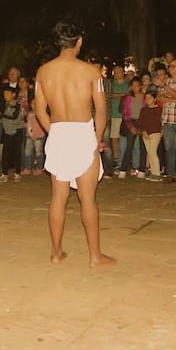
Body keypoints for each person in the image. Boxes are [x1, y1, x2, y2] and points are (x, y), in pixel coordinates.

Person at [34, 20, 114, 268]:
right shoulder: (91, 72)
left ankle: (56, 252)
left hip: (59, 131)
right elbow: (102, 111)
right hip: (82, 133)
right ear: (78, 41)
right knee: (87, 199)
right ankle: (95, 256)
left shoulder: (43, 72)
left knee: (58, 197)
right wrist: (96, 139)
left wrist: (54, 132)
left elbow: (40, 110)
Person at [117, 77, 146, 179]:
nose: (135, 87)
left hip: (142, 122)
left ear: (140, 86)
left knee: (143, 147)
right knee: (129, 147)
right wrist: (131, 127)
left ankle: (142, 169)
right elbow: (125, 114)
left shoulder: (145, 97)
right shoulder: (128, 98)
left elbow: (147, 111)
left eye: (137, 85)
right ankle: (123, 169)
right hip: (131, 122)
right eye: (133, 85)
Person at [0, 86, 24, 181]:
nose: (5, 96)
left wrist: (2, 115)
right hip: (7, 132)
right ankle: (4, 173)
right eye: (4, 94)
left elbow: (14, 117)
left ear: (13, 95)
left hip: (17, 131)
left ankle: (17, 173)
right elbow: (2, 119)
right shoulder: (4, 105)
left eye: (7, 94)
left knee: (17, 153)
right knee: (5, 153)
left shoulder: (17, 105)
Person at [139, 90, 163, 181]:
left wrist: (161, 131)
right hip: (146, 133)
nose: (148, 100)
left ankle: (156, 173)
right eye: (146, 98)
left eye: (150, 98)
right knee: (149, 152)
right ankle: (153, 171)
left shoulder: (159, 110)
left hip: (155, 133)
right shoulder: (143, 110)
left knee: (152, 152)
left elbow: (161, 122)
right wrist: (143, 131)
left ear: (155, 99)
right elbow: (141, 121)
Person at [24, 98, 47, 175]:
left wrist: (40, 134)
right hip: (30, 135)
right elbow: (29, 124)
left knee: (38, 152)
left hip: (39, 136)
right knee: (27, 152)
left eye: (36, 103)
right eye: (32, 103)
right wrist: (29, 132)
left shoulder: (42, 114)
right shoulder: (29, 114)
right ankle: (27, 168)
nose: (34, 105)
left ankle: (39, 168)